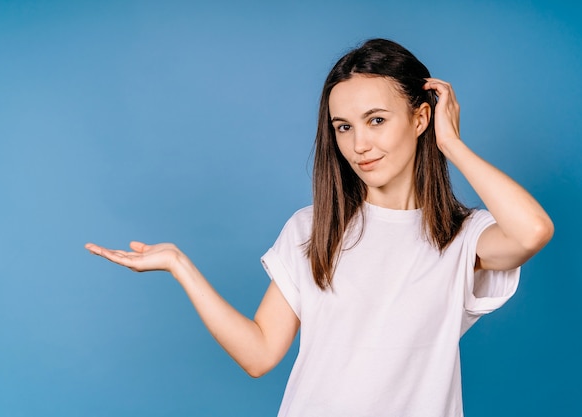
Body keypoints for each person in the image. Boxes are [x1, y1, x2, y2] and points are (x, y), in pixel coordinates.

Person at [85, 39, 553, 416]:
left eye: (376, 120)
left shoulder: (462, 236)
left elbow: (532, 231)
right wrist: (179, 265)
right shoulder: (313, 228)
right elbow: (260, 353)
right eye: (343, 127)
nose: (360, 144)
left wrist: (450, 143)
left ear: (420, 118)